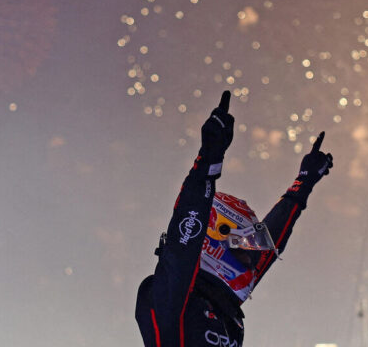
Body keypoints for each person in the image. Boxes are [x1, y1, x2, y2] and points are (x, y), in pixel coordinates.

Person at [135, 91, 334, 347]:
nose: (251, 264)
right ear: (213, 241)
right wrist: (208, 162)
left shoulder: (224, 307)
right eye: (244, 252)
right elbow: (183, 244)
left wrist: (302, 185)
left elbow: (269, 250)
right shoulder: (172, 299)